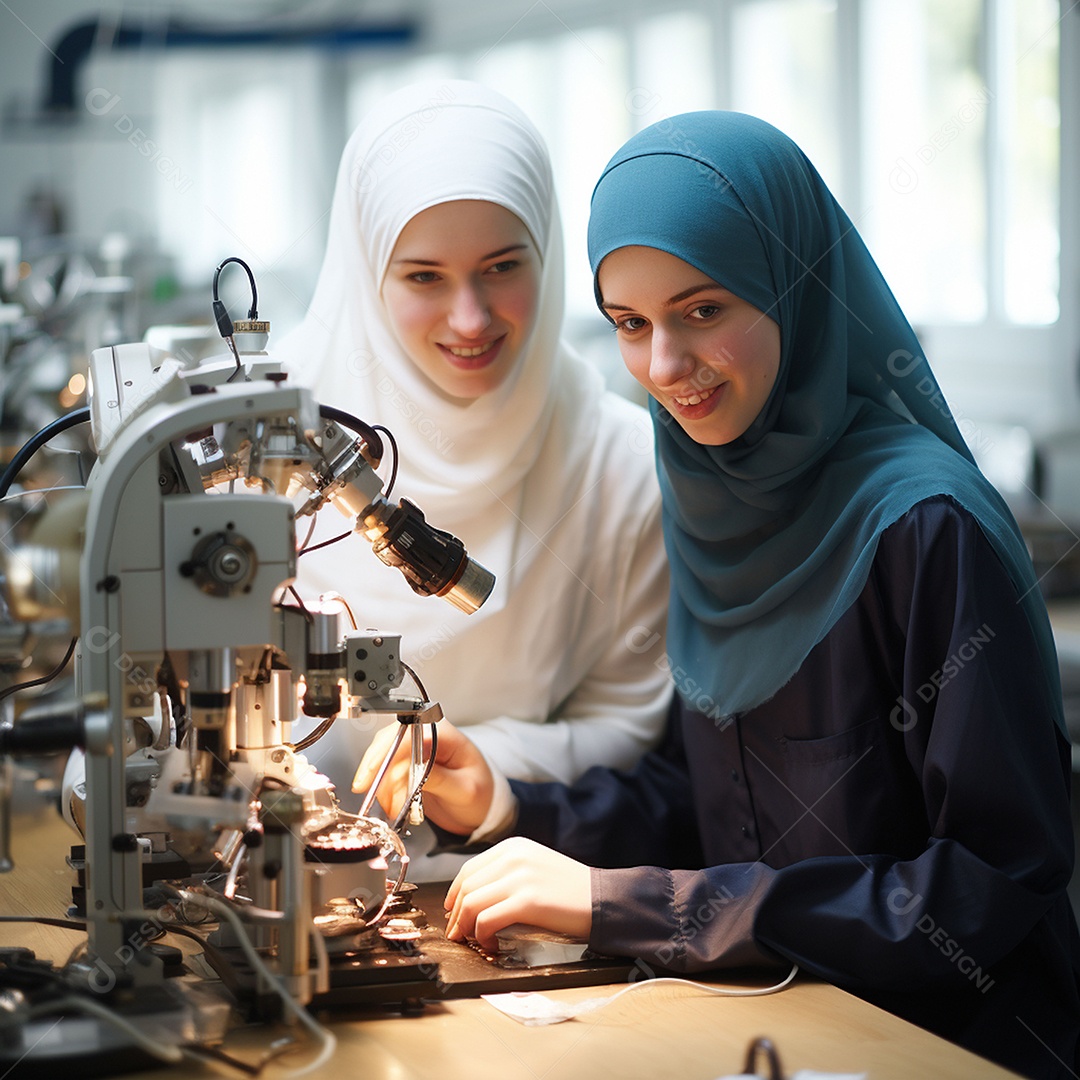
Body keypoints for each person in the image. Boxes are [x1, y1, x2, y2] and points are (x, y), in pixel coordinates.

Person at [353, 111, 1080, 1077]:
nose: (664, 369)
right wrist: (506, 800)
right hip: (774, 1022)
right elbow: (718, 803)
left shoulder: (924, 527)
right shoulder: (707, 489)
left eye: (704, 311)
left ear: (794, 285)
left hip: (947, 1045)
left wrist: (630, 905)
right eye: (630, 325)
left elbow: (981, 889)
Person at [275, 81, 671, 876]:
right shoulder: (268, 447)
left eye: (501, 267)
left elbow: (628, 715)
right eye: (423, 277)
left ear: (549, 257)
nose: (471, 319)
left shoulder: (621, 464)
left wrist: (486, 768)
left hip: (515, 881)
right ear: (366, 274)